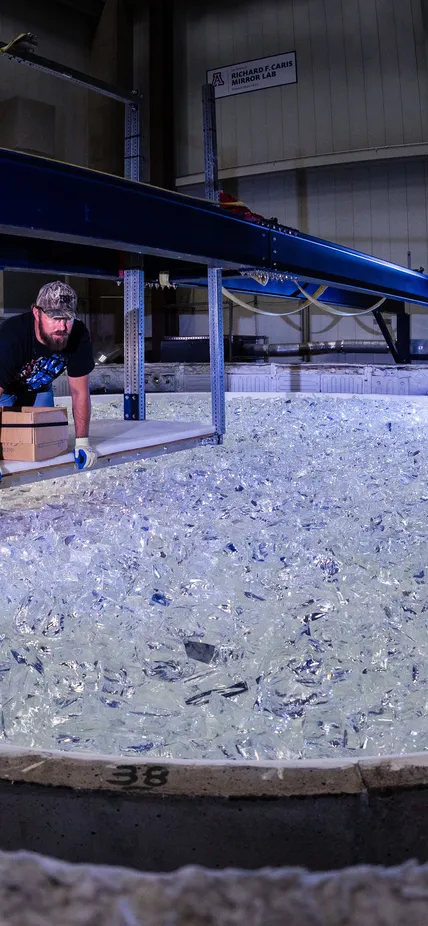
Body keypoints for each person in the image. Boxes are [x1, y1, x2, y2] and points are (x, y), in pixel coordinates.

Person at [0, 281, 97, 469]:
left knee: (45, 450)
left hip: (40, 388)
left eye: (67, 318)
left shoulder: (77, 334)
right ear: (36, 313)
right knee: (7, 450)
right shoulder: (10, 337)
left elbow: (79, 392)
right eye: (54, 317)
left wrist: (82, 442)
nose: (62, 326)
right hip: (5, 390)